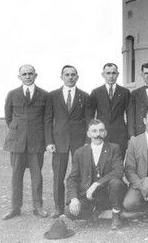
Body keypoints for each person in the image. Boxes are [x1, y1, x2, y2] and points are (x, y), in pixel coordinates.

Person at [3, 64, 49, 220]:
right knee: (16, 176)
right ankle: (15, 207)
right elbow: (8, 117)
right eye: (24, 74)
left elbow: (47, 119)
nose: (28, 76)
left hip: (36, 142)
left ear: (35, 75)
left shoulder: (44, 95)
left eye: (30, 73)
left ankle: (38, 207)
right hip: (17, 142)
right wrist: (18, 131)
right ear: (19, 76)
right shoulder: (12, 94)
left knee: (37, 177)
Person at [45, 65, 92, 218]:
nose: (70, 77)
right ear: (62, 77)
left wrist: (87, 141)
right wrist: (49, 141)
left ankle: (78, 205)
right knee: (58, 174)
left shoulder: (84, 96)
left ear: (77, 77)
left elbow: (88, 120)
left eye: (73, 74)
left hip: (79, 140)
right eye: (67, 74)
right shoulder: (53, 96)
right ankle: (58, 207)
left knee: (80, 173)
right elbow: (48, 120)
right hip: (59, 141)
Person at [66, 119, 127, 230]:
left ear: (105, 133)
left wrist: (96, 184)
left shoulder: (114, 148)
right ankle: (98, 212)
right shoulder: (79, 153)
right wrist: (74, 199)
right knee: (69, 212)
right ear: (88, 134)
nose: (98, 134)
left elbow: (118, 171)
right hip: (89, 196)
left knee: (116, 182)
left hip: (109, 194)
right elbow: (72, 178)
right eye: (94, 131)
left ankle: (116, 214)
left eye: (101, 131)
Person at [89, 63, 130, 156]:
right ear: (103, 74)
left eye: (113, 73)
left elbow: (130, 115)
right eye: (108, 73)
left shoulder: (125, 92)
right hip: (101, 133)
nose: (111, 76)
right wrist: (92, 133)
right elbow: (90, 116)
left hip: (120, 134)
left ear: (118, 74)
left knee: (118, 160)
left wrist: (129, 135)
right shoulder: (96, 92)